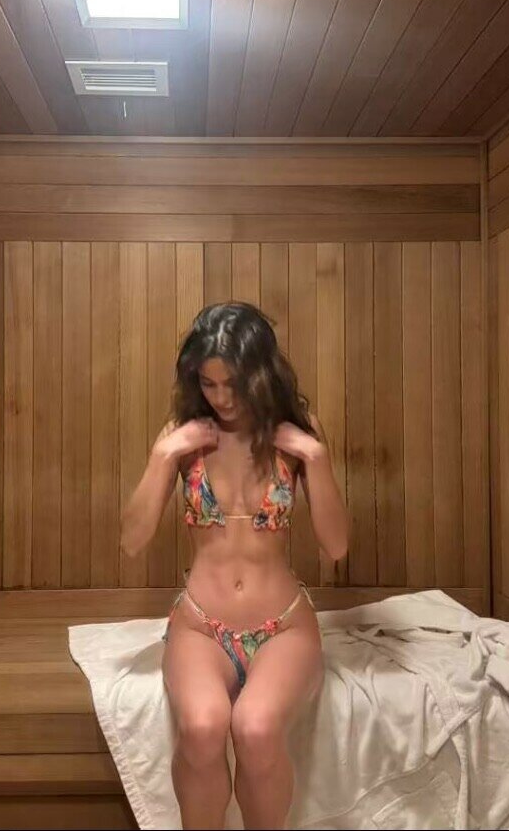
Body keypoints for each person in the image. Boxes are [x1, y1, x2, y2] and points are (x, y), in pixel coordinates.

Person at [120, 301, 349, 830]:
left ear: (261, 373)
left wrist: (315, 458)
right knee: (203, 727)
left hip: (282, 627)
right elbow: (132, 541)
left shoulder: (298, 434)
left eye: (234, 384)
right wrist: (163, 455)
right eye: (209, 384)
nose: (222, 398)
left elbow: (336, 546)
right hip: (202, 626)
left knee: (256, 728)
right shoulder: (183, 435)